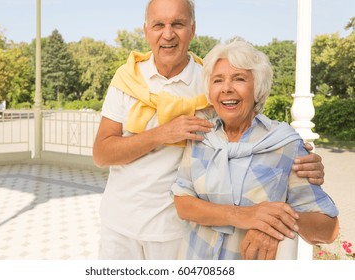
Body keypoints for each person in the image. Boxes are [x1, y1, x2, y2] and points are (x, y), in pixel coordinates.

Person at [92, 0, 325, 260]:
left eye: (178, 24)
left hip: (175, 230)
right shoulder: (127, 78)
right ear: (146, 30)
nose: (167, 34)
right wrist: (162, 133)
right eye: (159, 25)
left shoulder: (210, 80)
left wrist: (299, 158)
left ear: (192, 29)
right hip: (119, 224)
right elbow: (102, 154)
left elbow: (250, 123)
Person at [171, 39, 339, 260]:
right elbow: (183, 203)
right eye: (217, 80)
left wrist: (273, 223)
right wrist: (242, 215)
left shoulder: (284, 144)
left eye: (239, 79)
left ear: (257, 90)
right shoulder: (201, 136)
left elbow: (329, 229)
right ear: (210, 91)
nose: (227, 88)